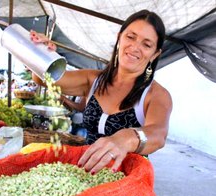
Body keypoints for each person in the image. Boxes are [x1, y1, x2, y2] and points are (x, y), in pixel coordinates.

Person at [31, 10, 173, 174]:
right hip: (83, 175)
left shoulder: (156, 94)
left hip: (126, 182)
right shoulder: (92, 80)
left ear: (155, 54)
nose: (135, 47)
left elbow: (158, 134)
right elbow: (44, 79)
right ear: (119, 37)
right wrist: (41, 53)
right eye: (130, 37)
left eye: (146, 44)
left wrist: (127, 138)